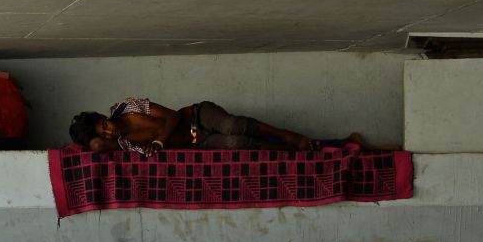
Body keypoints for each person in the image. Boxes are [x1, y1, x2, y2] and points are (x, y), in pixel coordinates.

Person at [68, 97, 387, 156]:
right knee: (236, 145)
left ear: (103, 116)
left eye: (104, 125)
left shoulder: (129, 107)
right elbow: (96, 148)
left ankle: (290, 136)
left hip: (197, 116)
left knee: (234, 126)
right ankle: (305, 148)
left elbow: (174, 118)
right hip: (200, 142)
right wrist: (99, 142)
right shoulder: (124, 146)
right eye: (103, 134)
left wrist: (161, 143)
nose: (109, 131)